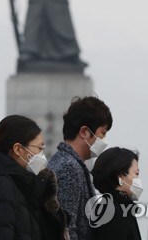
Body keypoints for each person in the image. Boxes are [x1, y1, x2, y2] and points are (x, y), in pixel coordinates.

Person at [0, 115, 67, 240]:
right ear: (18, 149)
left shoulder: (20, 186)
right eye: (39, 148)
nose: (42, 154)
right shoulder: (2, 188)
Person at [47, 96, 112, 240]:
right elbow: (67, 229)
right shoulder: (68, 168)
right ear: (84, 132)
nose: (105, 140)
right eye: (103, 133)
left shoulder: (68, 163)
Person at [90, 147, 142, 240]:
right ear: (121, 177)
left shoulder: (121, 208)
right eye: (136, 174)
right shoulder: (112, 213)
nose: (139, 180)